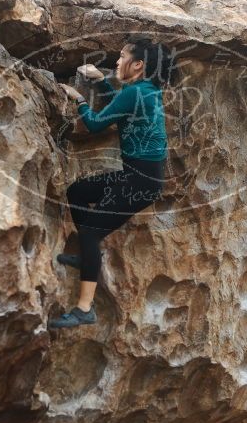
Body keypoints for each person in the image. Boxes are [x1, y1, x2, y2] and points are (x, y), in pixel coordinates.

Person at [49, 36, 178, 329]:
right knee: (77, 191)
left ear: (138, 64)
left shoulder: (136, 93)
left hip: (140, 180)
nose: (116, 62)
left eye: (121, 57)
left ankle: (84, 309)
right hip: (141, 176)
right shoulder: (145, 90)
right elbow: (120, 106)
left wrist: (78, 98)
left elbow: (95, 123)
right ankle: (87, 258)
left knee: (92, 233)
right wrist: (101, 82)